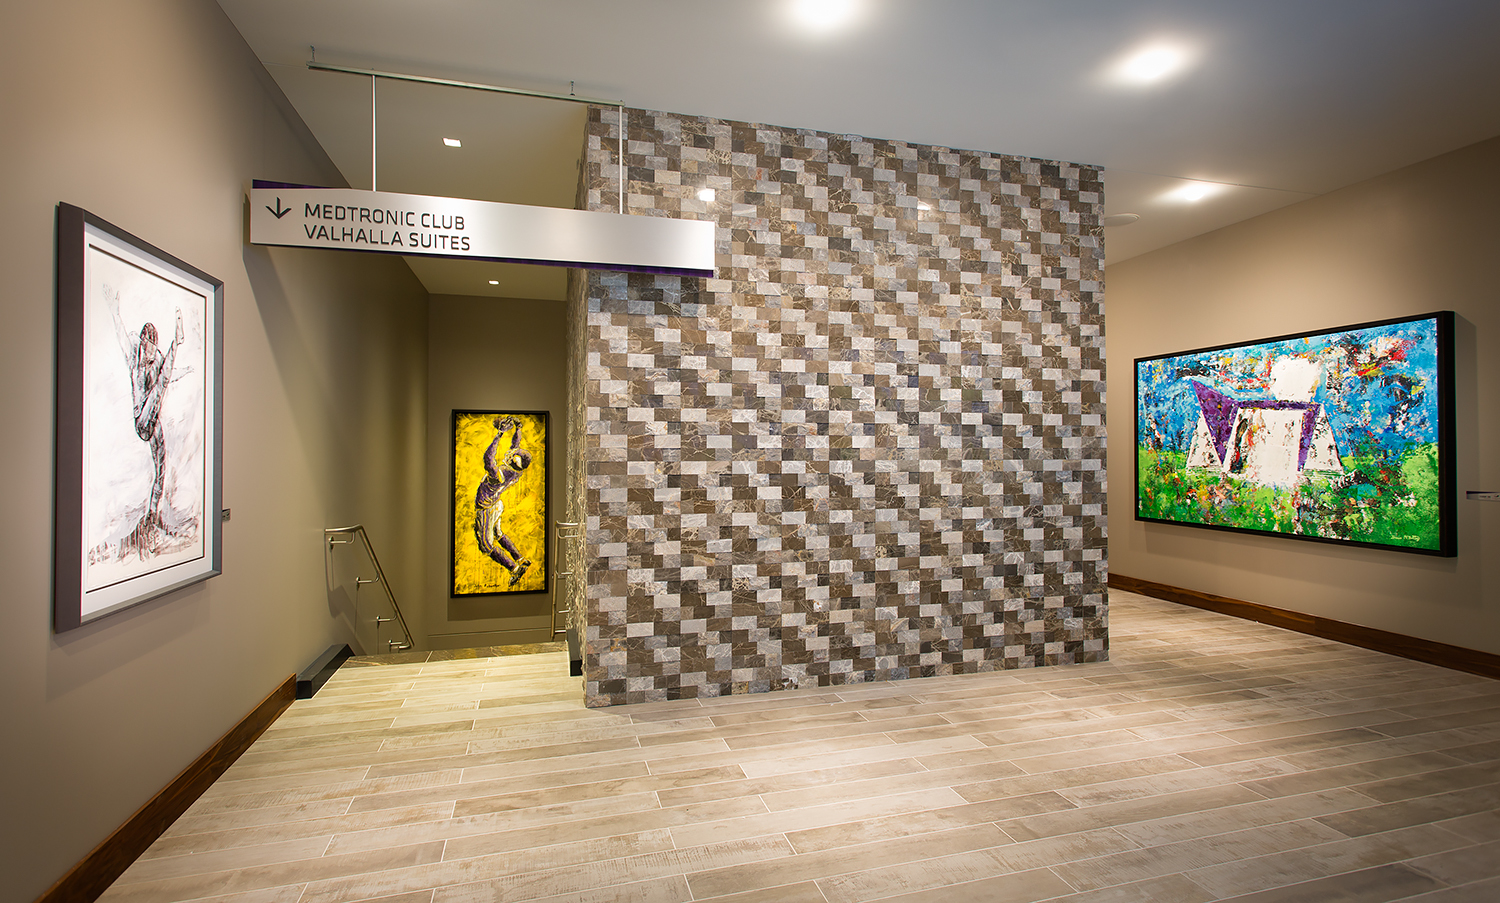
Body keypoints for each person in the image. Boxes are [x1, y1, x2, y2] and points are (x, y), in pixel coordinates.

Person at [107, 287, 182, 556]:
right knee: (160, 382)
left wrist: (178, 367)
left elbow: (166, 379)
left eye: (154, 344)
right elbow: (120, 335)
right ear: (142, 343)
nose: (150, 350)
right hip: (142, 419)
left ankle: (154, 513)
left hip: (154, 421)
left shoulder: (158, 359)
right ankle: (178, 344)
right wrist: (115, 311)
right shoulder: (135, 359)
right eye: (147, 344)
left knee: (162, 465)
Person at [474, 416, 533, 585]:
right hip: (497, 504)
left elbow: (488, 459)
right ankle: (520, 558)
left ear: (514, 461)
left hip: (487, 507)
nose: (511, 452)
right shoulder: (516, 471)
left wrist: (499, 435)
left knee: (486, 544)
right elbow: (516, 445)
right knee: (498, 533)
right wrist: (518, 428)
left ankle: (514, 568)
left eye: (513, 455)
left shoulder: (499, 476)